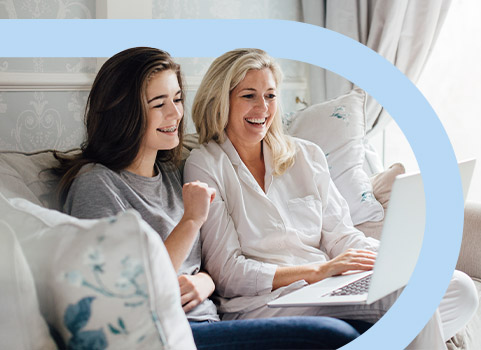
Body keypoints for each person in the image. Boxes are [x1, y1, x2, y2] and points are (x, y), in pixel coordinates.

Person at [52, 46, 369, 349]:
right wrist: (191, 221)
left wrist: (205, 282)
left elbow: (208, 268)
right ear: (125, 111)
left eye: (177, 99)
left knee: (370, 322)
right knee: (330, 334)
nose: (176, 113)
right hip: (160, 333)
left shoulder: (172, 176)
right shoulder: (96, 184)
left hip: (207, 321)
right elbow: (124, 293)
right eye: (158, 103)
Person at [184, 48, 479, 349]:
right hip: (265, 302)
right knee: (410, 299)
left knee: (459, 288)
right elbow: (228, 272)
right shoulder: (205, 164)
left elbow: (341, 235)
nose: (263, 107)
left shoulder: (306, 155)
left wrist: (388, 259)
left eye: (270, 96)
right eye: (249, 96)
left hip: (326, 288)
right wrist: (317, 271)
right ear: (221, 100)